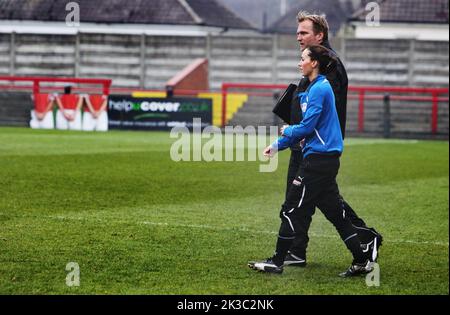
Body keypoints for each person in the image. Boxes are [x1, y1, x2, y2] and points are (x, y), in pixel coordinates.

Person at [249, 45, 373, 277]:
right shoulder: (313, 89)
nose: (299, 62)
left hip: (317, 162)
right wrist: (277, 145)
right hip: (323, 160)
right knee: (337, 215)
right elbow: (305, 132)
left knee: (290, 210)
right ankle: (362, 261)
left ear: (314, 62)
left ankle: (277, 262)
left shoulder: (320, 89)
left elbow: (306, 128)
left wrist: (287, 130)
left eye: (303, 58)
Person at [282, 12, 382, 268]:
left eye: (304, 33)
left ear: (319, 35)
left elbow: (325, 111)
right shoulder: (316, 63)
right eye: (298, 32)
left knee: (309, 200)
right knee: (316, 199)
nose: (298, 37)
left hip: (316, 147)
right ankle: (297, 251)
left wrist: (305, 134)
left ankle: (364, 237)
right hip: (306, 143)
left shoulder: (329, 65)